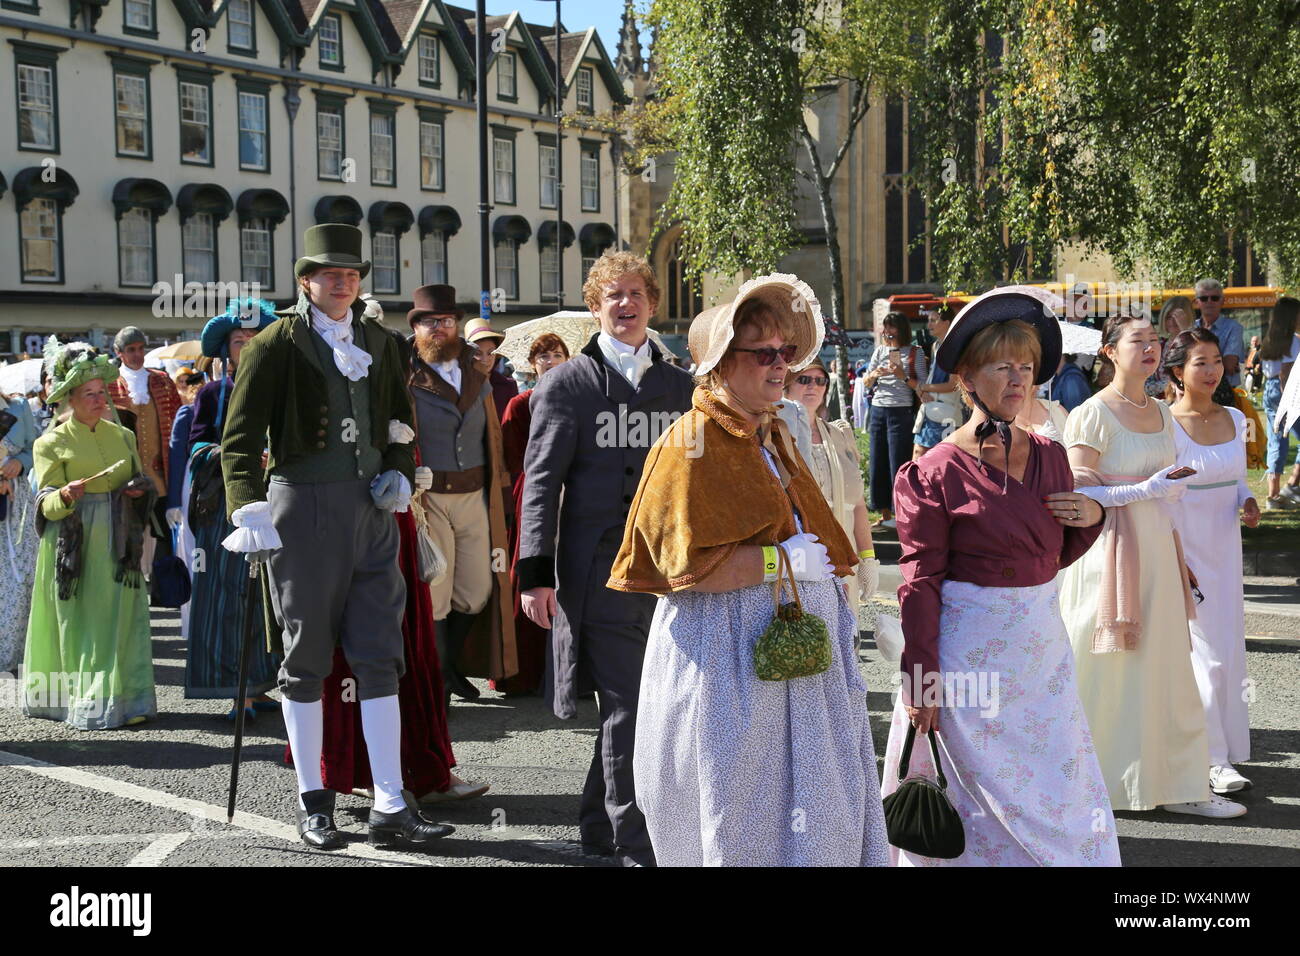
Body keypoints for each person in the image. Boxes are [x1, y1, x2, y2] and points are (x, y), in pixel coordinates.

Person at [609, 274, 888, 867]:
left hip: (795, 658)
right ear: (718, 363)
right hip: (726, 658)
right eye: (764, 353)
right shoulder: (690, 441)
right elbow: (686, 569)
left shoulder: (774, 434)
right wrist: (778, 560)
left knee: (817, 796)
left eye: (787, 352)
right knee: (738, 797)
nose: (781, 365)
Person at [219, 223, 453, 851]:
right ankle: (313, 801)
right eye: (330, 273)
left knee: (381, 653)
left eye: (350, 273)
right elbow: (239, 440)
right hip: (304, 509)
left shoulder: (378, 338)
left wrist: (401, 474)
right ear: (305, 281)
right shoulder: (275, 343)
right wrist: (249, 508)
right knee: (307, 658)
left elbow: (399, 421)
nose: (342, 281)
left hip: (371, 511)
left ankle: (389, 802)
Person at [881, 288, 1118, 866]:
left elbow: (1047, 555)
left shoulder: (1052, 456)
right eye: (1002, 366)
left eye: (1027, 367)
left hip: (1040, 654)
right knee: (973, 796)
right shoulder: (931, 474)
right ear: (965, 376)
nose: (1019, 379)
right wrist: (922, 679)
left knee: (1057, 784)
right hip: (967, 660)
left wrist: (1096, 514)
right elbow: (919, 582)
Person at [518, 250, 694, 867]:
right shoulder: (565, 383)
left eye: (636, 294)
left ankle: (598, 828)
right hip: (599, 571)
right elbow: (540, 484)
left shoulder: (680, 386)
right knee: (630, 704)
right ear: (595, 306)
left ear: (651, 302)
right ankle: (633, 842)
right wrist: (534, 573)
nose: (625, 304)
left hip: (668, 574)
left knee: (641, 703)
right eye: (612, 295)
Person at [1059, 311, 1243, 818]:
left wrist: (1171, 516)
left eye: (1155, 341)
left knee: (1167, 668)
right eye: (1137, 341)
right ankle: (1097, 788)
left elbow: (1164, 489)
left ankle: (1179, 784)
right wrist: (1142, 489)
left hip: (1160, 547)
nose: (1150, 349)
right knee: (1111, 671)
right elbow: (1077, 493)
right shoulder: (1091, 412)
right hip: (1108, 554)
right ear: (1109, 351)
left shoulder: (1163, 412)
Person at [23, 339, 157, 729]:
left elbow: (141, 479)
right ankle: (90, 704)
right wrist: (65, 495)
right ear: (70, 398)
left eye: (102, 393)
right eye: (90, 394)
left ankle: (130, 701)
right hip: (75, 544)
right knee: (86, 622)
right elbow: (45, 503)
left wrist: (137, 489)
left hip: (119, 538)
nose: (99, 400)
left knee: (124, 618)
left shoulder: (124, 435)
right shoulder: (50, 442)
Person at [405, 285, 516, 705]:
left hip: (474, 496)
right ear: (415, 327)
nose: (439, 328)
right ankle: (436, 677)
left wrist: (501, 499)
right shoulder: (407, 377)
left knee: (475, 592)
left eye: (447, 321)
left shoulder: (477, 377)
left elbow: (494, 442)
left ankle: (449, 665)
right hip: (428, 498)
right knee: (434, 591)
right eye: (430, 322)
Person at [1164, 328, 1260, 797]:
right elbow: (1161, 493)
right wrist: (1173, 555)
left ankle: (1226, 749)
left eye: (1217, 360)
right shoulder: (1164, 423)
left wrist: (1248, 502)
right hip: (1188, 546)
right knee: (1205, 657)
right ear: (1177, 372)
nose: (1212, 370)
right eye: (1200, 362)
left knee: (1228, 652)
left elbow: (1239, 479)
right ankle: (1211, 760)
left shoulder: (1236, 417)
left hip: (1227, 546)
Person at [184, 301, 280, 720]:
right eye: (240, 341)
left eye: (254, 339)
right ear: (226, 350)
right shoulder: (212, 392)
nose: (247, 345)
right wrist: (233, 455)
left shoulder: (282, 387)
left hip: (276, 496)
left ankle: (261, 685)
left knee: (269, 595)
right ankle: (235, 691)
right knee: (228, 596)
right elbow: (196, 447)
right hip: (226, 504)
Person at [495, 332, 569, 696]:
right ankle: (521, 672)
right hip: (533, 496)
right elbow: (510, 460)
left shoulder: (578, 399)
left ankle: (569, 672)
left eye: (557, 354)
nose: (550, 360)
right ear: (532, 362)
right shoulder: (520, 404)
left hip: (574, 493)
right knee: (529, 576)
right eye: (543, 356)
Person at [783, 356, 878, 613]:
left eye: (820, 381)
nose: (813, 386)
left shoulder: (840, 435)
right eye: (804, 379)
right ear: (787, 384)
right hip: (802, 560)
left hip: (844, 558)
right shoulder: (775, 435)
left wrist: (868, 559)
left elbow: (857, 504)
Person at [108, 326, 181, 570]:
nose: (137, 354)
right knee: (127, 534)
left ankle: (163, 590)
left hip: (159, 472)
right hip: (126, 476)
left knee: (165, 533)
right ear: (119, 353)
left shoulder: (162, 382)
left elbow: (178, 422)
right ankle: (129, 585)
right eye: (131, 350)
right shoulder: (109, 386)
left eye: (140, 349)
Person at [863, 312, 927, 527]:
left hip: (901, 412)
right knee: (878, 461)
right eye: (886, 328)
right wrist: (874, 375)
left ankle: (901, 512)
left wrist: (903, 376)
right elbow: (866, 382)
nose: (888, 332)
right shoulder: (880, 351)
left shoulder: (915, 353)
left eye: (892, 328)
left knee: (898, 462)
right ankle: (884, 514)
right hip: (879, 410)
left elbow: (923, 388)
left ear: (901, 329)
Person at [0, 391, 40, 673]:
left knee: (24, 574)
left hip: (20, 503)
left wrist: (21, 462)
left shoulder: (18, 406)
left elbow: (37, 447)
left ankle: (23, 652)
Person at [1258, 297, 1300, 509]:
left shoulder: (1270, 340)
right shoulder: (1293, 340)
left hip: (1270, 390)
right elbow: (1286, 372)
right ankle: (1292, 484)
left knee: (1276, 442)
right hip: (1287, 391)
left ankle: (1273, 494)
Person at [912, 305, 960, 458]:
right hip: (930, 408)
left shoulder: (954, 347)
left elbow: (953, 385)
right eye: (929, 320)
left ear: (947, 323)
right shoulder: (935, 346)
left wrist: (923, 387)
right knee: (918, 455)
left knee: (938, 459)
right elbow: (934, 378)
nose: (929, 325)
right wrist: (923, 391)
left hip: (944, 410)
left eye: (934, 320)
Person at [463, 318, 519, 423]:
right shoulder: (459, 384)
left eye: (490, 352)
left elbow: (513, 426)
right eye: (478, 353)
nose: (485, 359)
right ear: (468, 355)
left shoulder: (508, 386)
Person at [1193, 278, 1246, 388]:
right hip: (1197, 391)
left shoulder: (1234, 328)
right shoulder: (1191, 327)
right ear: (1197, 302)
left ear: (1222, 301)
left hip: (1224, 392)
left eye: (1214, 298)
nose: (1209, 302)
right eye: (1204, 298)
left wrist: (1197, 360)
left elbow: (1229, 365)